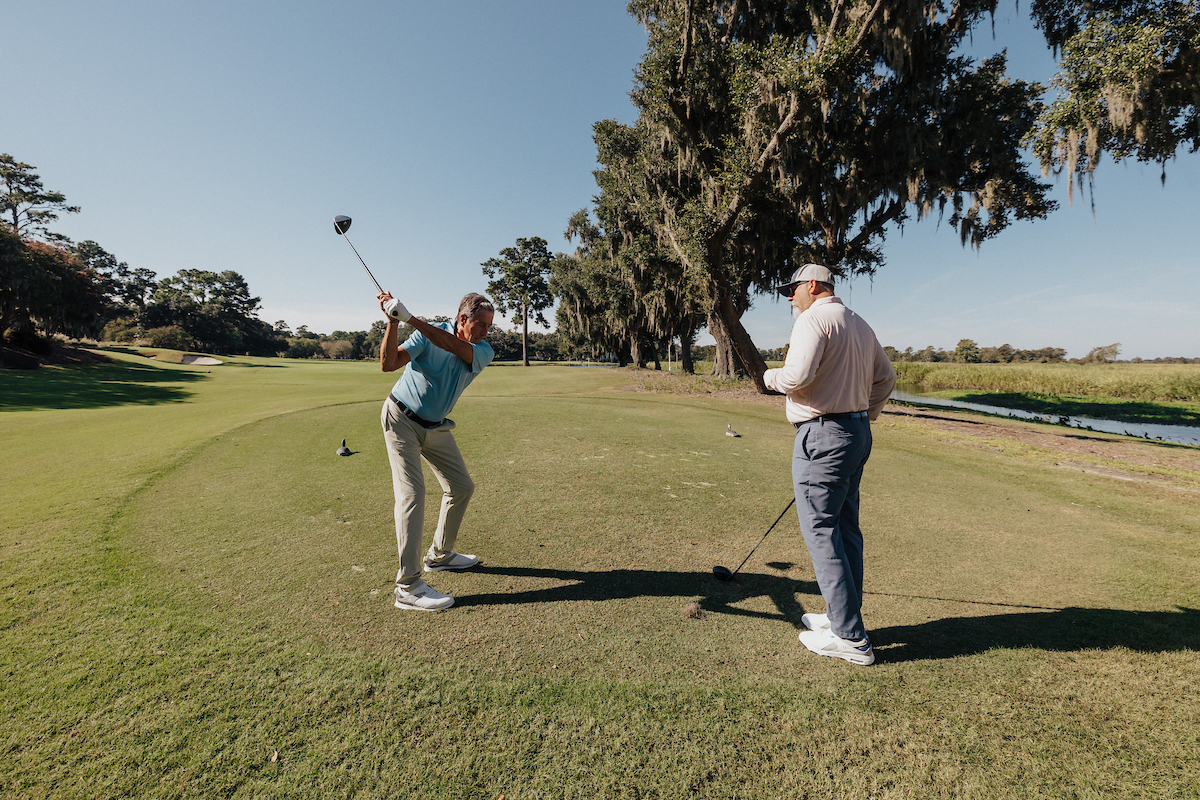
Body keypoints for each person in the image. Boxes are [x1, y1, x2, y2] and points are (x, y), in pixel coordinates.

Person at [762, 263, 896, 665]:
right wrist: (860, 415)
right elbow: (886, 379)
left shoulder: (812, 319)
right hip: (855, 433)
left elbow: (797, 376)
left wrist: (769, 378)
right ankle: (842, 618)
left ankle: (851, 639)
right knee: (845, 528)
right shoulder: (858, 322)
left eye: (793, 288)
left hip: (823, 434)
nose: (789, 296)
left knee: (821, 529)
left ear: (814, 286)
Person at [377, 289, 495, 611]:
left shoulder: (482, 350)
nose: (485, 333)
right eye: (481, 325)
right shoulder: (425, 336)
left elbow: (453, 346)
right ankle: (408, 586)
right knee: (413, 495)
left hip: (435, 426)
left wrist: (411, 318)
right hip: (401, 418)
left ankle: (439, 556)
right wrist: (393, 322)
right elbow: (388, 364)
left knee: (461, 487)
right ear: (462, 319)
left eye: (489, 327)